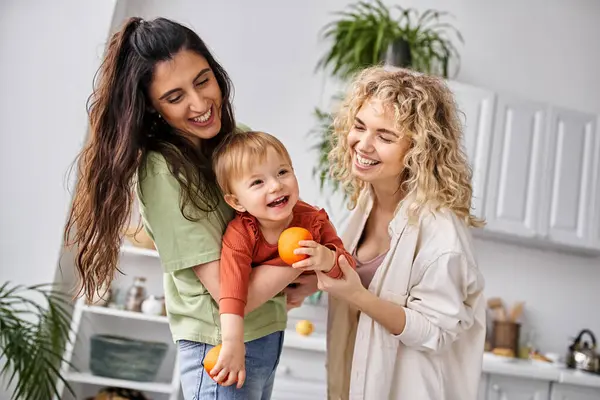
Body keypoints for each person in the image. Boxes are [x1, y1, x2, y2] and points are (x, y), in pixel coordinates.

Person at [64, 17, 301, 400]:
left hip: (265, 335)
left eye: (203, 80)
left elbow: (287, 225)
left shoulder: (240, 145)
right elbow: (229, 291)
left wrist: (300, 274)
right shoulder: (162, 172)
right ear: (153, 107)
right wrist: (304, 260)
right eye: (174, 97)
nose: (199, 103)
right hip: (219, 347)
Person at [312, 66, 487, 399]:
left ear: (419, 150)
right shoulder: (365, 203)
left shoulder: (442, 235)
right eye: (359, 126)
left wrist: (356, 295)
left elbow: (434, 331)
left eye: (385, 136)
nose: (363, 144)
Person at [209, 130, 355, 387]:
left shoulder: (315, 222)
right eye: (257, 183)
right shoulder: (240, 234)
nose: (276, 185)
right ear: (236, 202)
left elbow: (347, 268)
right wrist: (232, 343)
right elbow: (231, 291)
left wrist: (326, 259)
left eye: (282, 172)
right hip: (254, 316)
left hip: (287, 308)